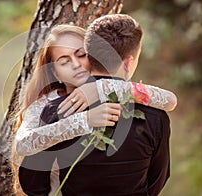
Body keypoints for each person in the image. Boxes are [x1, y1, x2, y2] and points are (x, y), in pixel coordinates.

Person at [18, 14, 173, 195]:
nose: (76, 65)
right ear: (55, 74)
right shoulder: (48, 109)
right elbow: (157, 180)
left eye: (81, 55)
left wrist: (101, 87)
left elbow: (170, 100)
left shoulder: (148, 107)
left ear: (93, 56)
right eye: (64, 61)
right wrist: (85, 120)